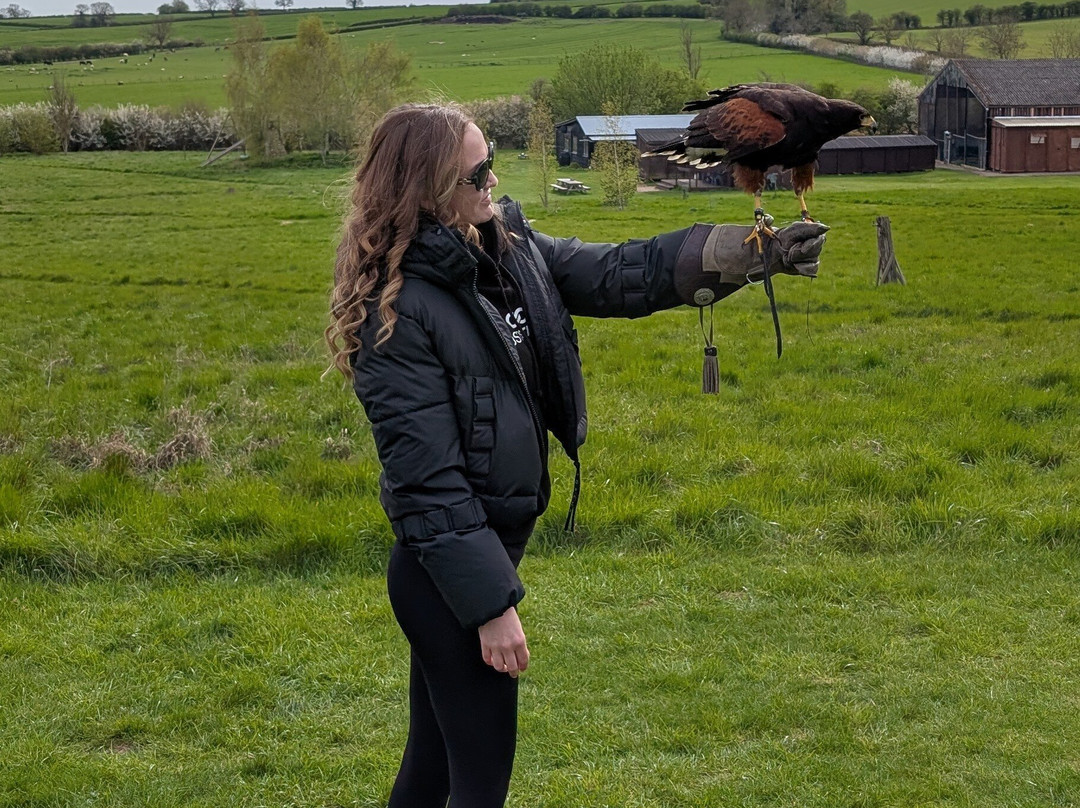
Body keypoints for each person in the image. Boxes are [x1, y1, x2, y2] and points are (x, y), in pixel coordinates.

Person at [325, 103, 827, 807]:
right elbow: (428, 485)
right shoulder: (399, 312)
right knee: (478, 779)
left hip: (471, 564)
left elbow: (621, 272)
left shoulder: (508, 251)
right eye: (477, 173)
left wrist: (742, 253)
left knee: (434, 764)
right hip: (447, 578)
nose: (493, 180)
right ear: (428, 189)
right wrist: (491, 607)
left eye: (491, 160)